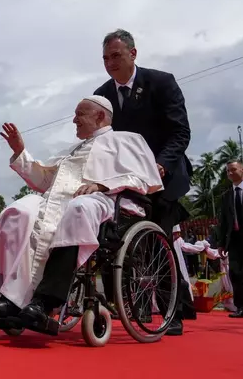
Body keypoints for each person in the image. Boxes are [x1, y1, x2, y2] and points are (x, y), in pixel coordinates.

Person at [0, 95, 162, 324]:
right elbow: (44, 181)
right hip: (57, 201)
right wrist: (21, 152)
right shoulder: (72, 150)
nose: (74, 120)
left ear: (99, 116)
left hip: (104, 202)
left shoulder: (126, 141)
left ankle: (46, 302)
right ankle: (9, 299)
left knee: (78, 208)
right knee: (21, 210)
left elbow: (142, 180)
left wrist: (101, 185)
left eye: (79, 114)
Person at [94, 29, 194, 335]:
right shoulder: (103, 95)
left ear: (133, 54)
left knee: (158, 242)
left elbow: (180, 132)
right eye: (106, 58)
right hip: (126, 182)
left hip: (163, 178)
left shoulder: (161, 83)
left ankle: (171, 312)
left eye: (116, 56)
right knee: (122, 244)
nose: (110, 63)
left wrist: (161, 165)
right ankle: (132, 307)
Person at [217, 160, 243, 318]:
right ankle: (241, 307)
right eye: (228, 171)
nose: (230, 173)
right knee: (236, 274)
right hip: (234, 240)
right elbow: (224, 221)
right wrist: (221, 244)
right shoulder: (227, 196)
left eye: (233, 169)